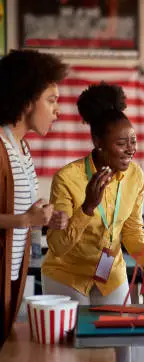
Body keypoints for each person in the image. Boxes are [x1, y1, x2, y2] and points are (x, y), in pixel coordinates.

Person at [42, 82, 144, 362]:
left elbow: (132, 233)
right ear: (98, 143)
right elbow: (58, 245)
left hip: (111, 274)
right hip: (68, 275)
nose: (130, 150)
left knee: (121, 356)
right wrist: (88, 207)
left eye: (133, 141)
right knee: (70, 357)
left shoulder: (135, 177)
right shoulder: (68, 178)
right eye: (121, 143)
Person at [0, 49, 69, 346]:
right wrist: (26, 219)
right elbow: (19, 218)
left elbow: (19, 213)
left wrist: (44, 217)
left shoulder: (22, 149)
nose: (58, 111)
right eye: (51, 101)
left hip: (13, 276)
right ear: (27, 100)